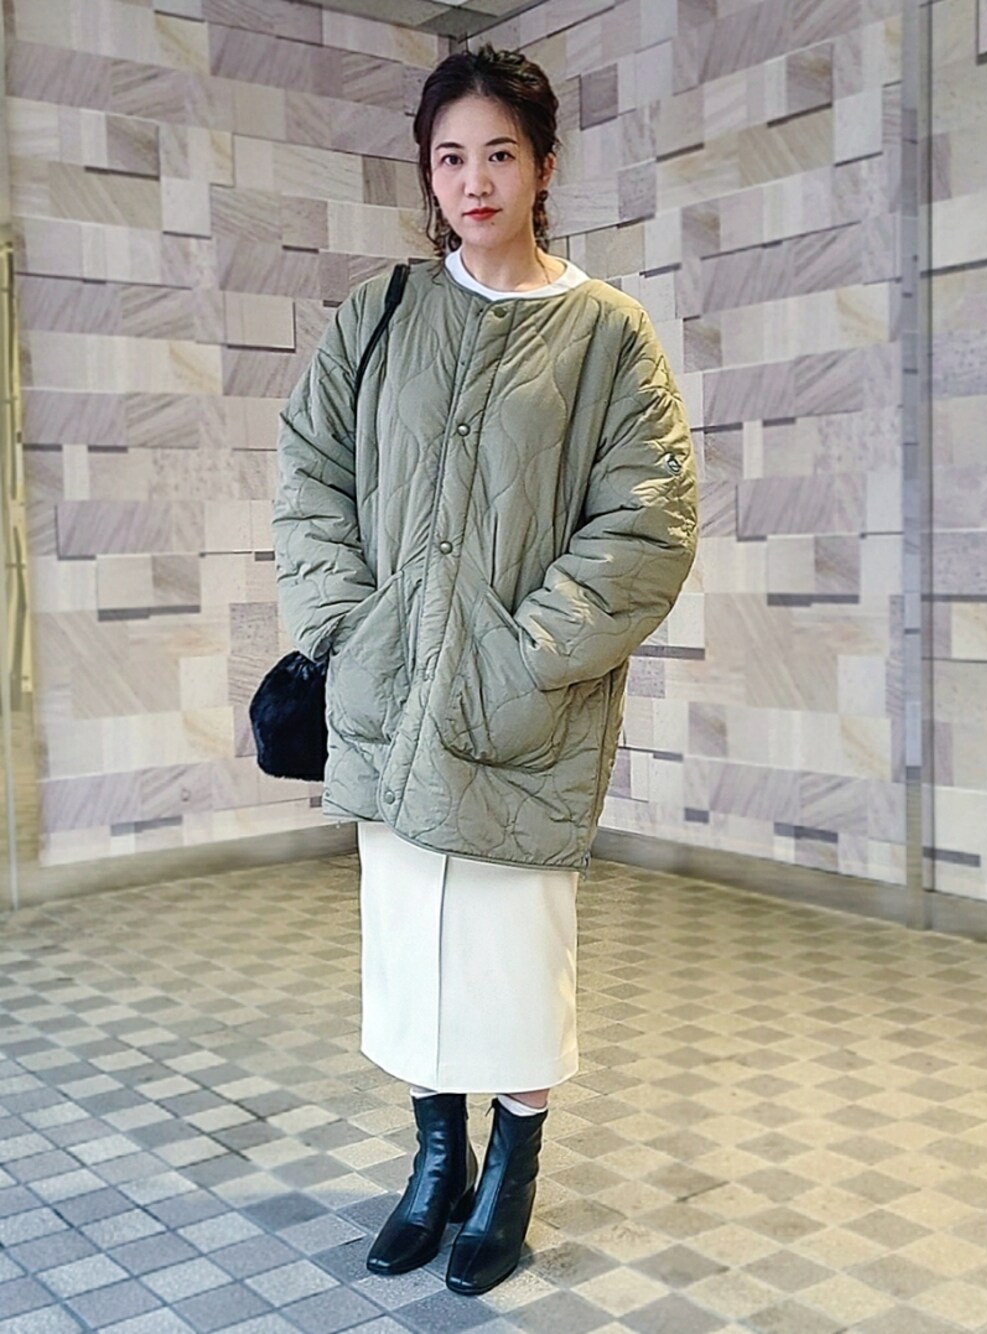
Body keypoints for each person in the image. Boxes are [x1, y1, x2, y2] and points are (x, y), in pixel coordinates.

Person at [272, 43, 698, 1296]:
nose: (473, 180)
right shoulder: (381, 313)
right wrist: (348, 625)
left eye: (499, 154)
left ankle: (508, 1172)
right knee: (412, 948)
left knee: (513, 956)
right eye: (449, 157)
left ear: (543, 166)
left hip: (523, 713)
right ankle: (433, 1161)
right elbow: (311, 471)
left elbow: (648, 521)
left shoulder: (606, 333)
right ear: (427, 172)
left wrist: (527, 656)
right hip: (392, 693)